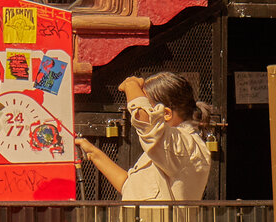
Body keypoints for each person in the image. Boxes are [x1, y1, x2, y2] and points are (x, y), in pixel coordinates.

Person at [76, 72, 214, 199]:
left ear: (166, 113)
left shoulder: (184, 144)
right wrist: (93, 153)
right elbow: (129, 186)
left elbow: (146, 122)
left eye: (149, 106)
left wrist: (131, 85)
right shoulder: (167, 147)